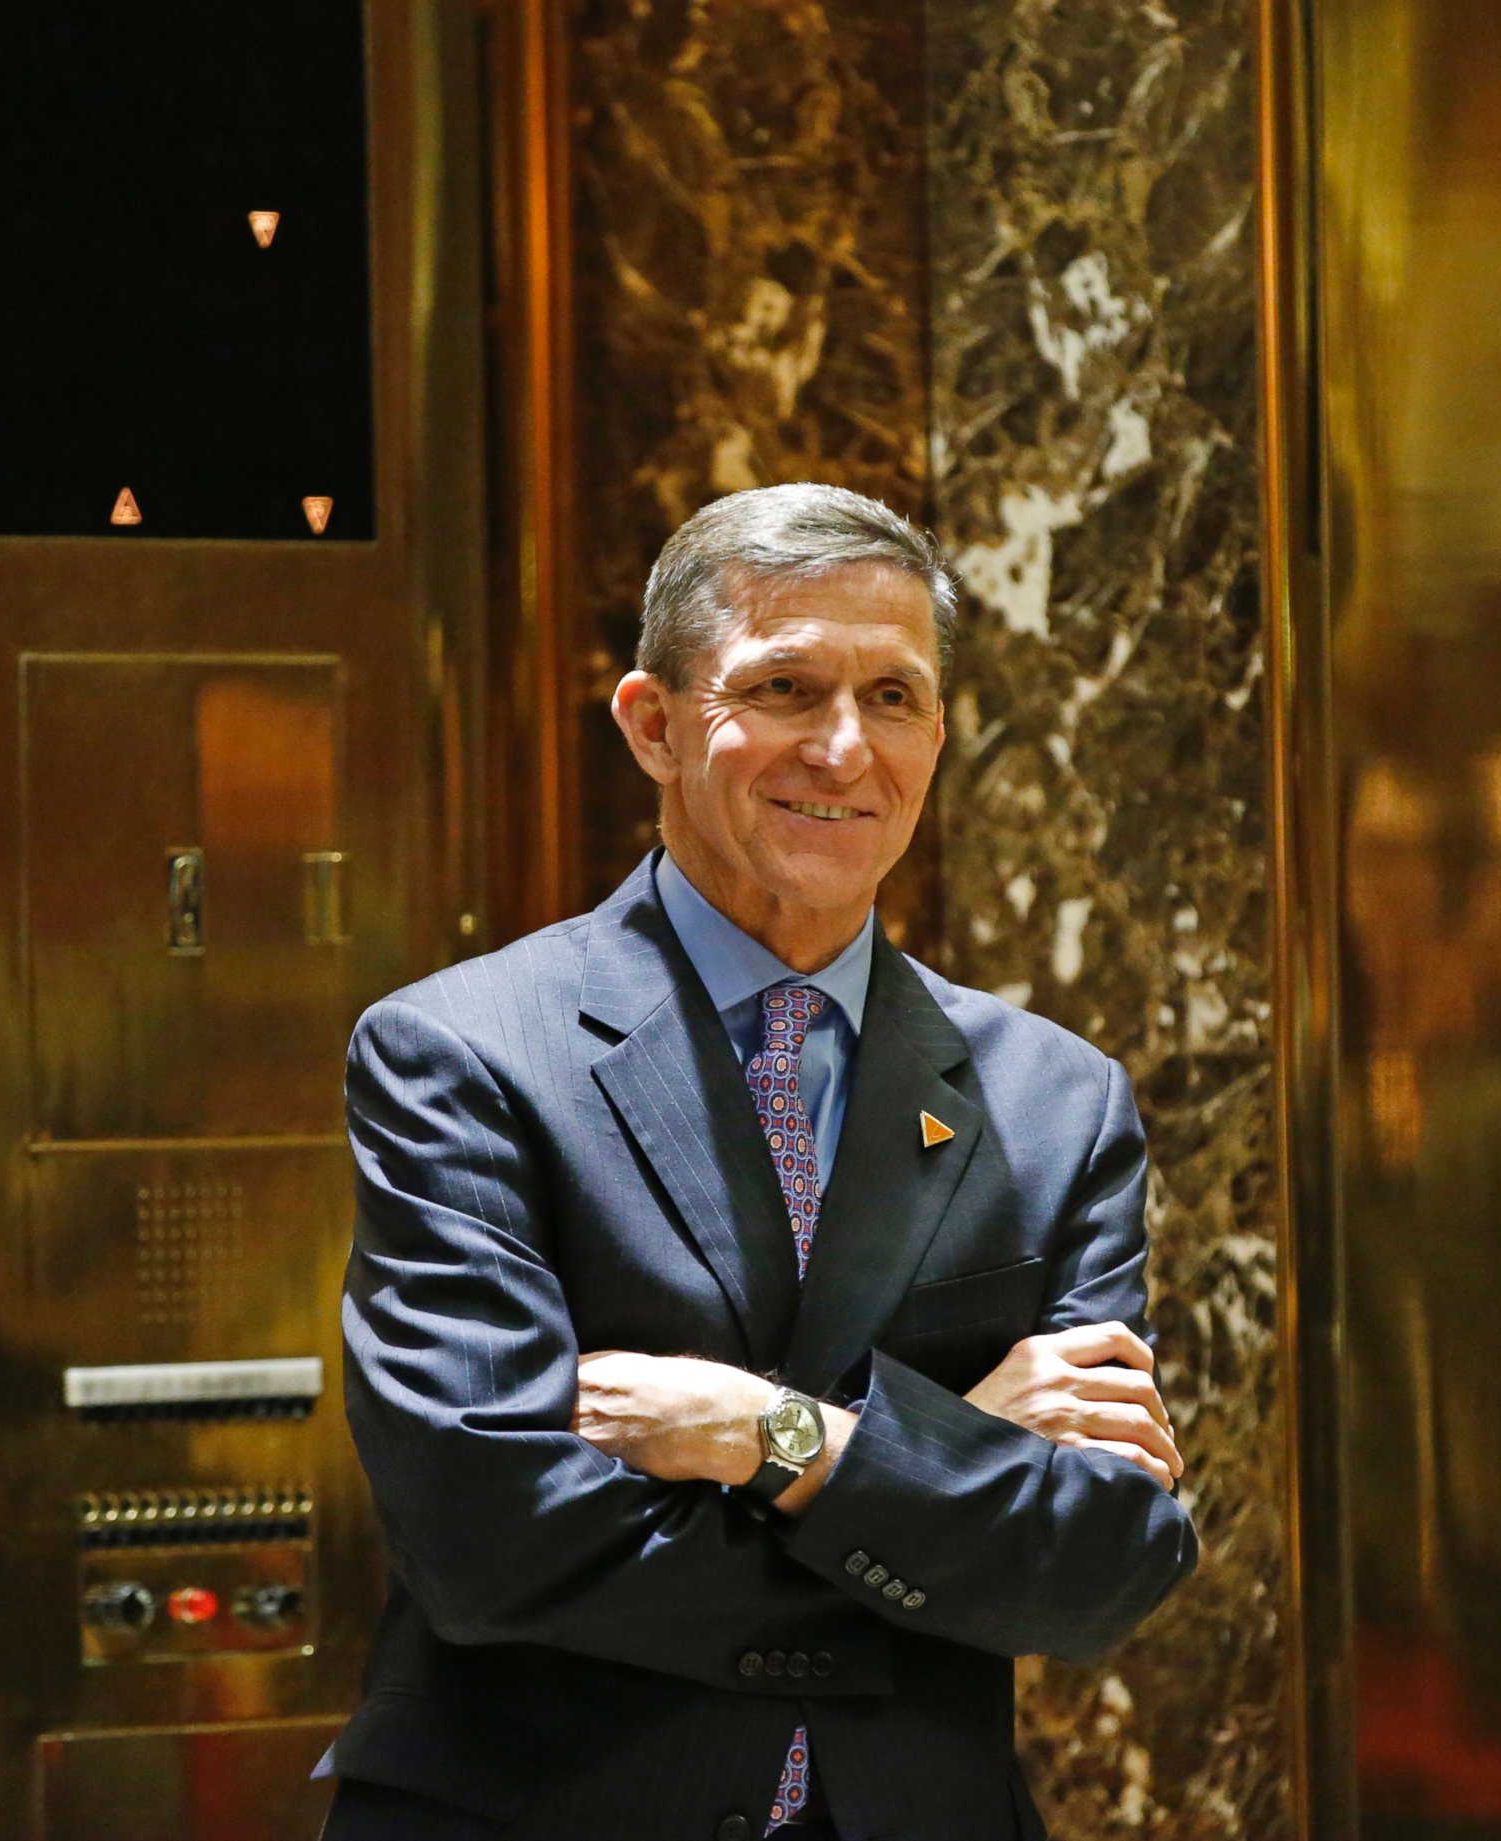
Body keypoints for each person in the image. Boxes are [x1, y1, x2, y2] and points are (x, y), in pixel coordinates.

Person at [314, 484, 1198, 1840]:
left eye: (894, 697)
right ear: (653, 725)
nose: (844, 748)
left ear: (942, 735)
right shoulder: (463, 1053)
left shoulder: (1055, 1099)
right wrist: (953, 1462)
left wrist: (765, 1434)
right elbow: (491, 1546)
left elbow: (1098, 1565)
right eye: (784, 687)